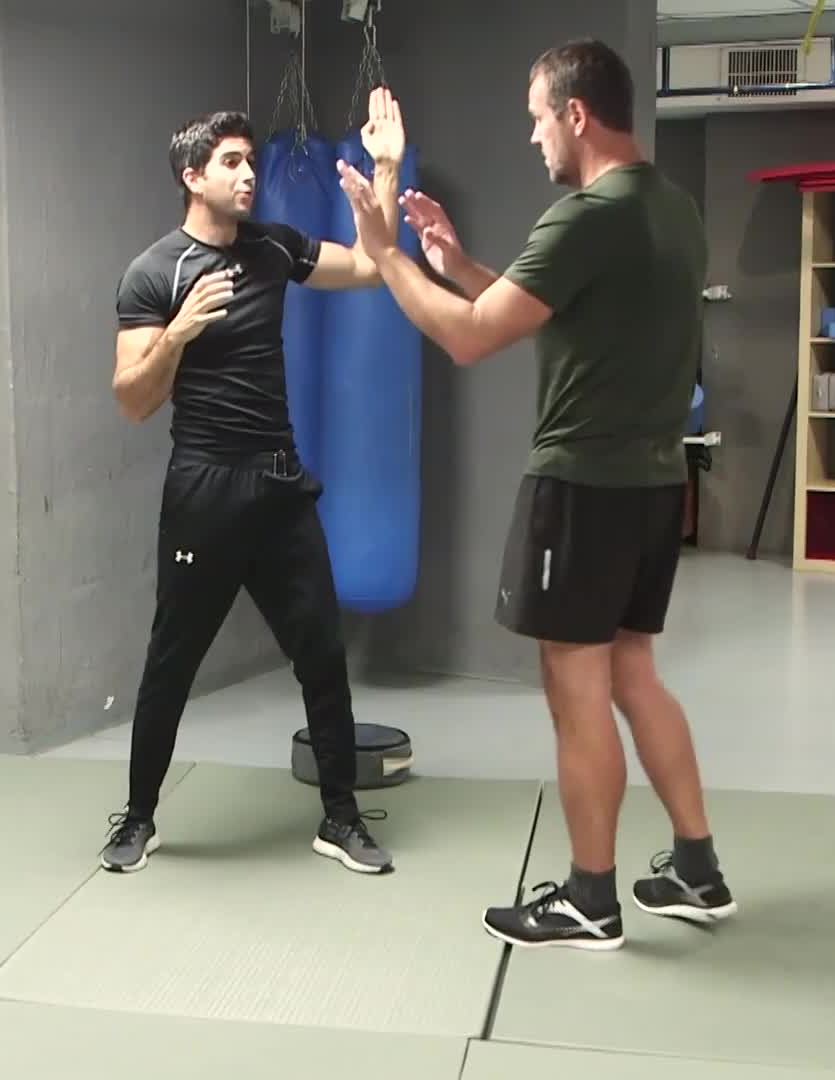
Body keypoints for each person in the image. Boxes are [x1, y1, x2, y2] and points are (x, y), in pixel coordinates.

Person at [335, 39, 736, 949]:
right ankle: (696, 868)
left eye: (536, 116)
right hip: (649, 482)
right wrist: (457, 262)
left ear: (576, 114)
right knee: (635, 672)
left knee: (577, 688)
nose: (531, 135)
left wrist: (387, 254)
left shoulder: (584, 215)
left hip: (581, 485)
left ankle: (591, 897)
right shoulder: (670, 210)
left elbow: (474, 341)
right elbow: (552, 317)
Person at [100, 91, 408, 876]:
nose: (248, 177)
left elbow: (372, 266)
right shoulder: (152, 271)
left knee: (322, 654)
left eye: (251, 163)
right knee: (172, 660)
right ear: (191, 175)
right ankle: (139, 818)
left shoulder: (272, 247)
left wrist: (385, 165)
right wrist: (180, 329)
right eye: (232, 164)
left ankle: (340, 817)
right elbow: (133, 400)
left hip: (277, 486)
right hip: (204, 490)